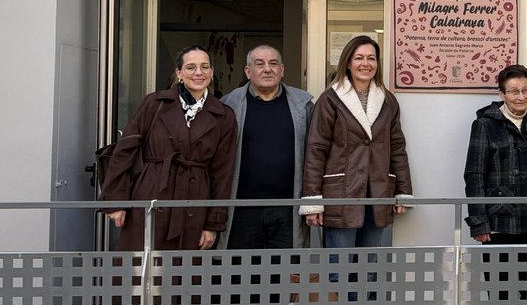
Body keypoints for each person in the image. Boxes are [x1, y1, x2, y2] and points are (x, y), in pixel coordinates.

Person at [101, 45, 237, 250]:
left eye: (204, 67)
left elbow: (223, 173)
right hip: (151, 192)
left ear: (211, 72)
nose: (198, 73)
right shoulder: (155, 103)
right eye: (191, 67)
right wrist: (115, 201)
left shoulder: (223, 115)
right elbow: (125, 151)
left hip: (195, 201)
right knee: (141, 264)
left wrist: (213, 223)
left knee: (185, 266)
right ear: (179, 73)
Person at [301, 35, 412, 247]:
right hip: (341, 194)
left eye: (371, 58)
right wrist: (312, 200)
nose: (365, 64)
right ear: (348, 63)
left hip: (377, 193)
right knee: (339, 263)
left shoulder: (388, 101)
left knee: (369, 262)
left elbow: (397, 148)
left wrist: (403, 190)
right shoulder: (330, 99)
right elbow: (316, 149)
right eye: (359, 58)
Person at [219, 45, 315, 249]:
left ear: (282, 69)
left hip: (288, 207)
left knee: (286, 267)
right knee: (242, 267)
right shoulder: (229, 105)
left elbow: (315, 155)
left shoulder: (303, 105)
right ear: (248, 71)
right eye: (259, 64)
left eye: (273, 63)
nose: (267, 69)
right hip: (242, 208)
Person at [464, 65, 527, 243]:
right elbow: (475, 176)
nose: (521, 97)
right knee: (500, 264)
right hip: (500, 220)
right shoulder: (484, 125)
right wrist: (479, 222)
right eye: (513, 91)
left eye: (525, 90)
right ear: (502, 94)